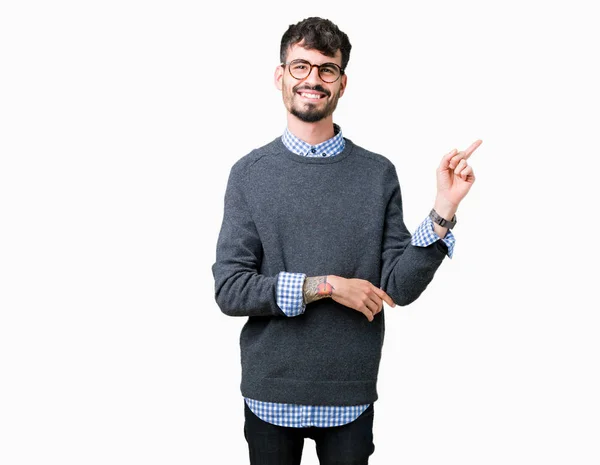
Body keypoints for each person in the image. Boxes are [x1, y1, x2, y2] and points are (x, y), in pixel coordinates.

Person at [212, 16, 481, 465]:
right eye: (301, 67)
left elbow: (397, 287)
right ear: (281, 76)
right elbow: (230, 289)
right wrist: (327, 286)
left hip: (349, 393)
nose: (312, 80)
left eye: (326, 69)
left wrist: (443, 210)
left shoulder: (377, 174)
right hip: (271, 391)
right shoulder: (249, 175)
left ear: (342, 83)